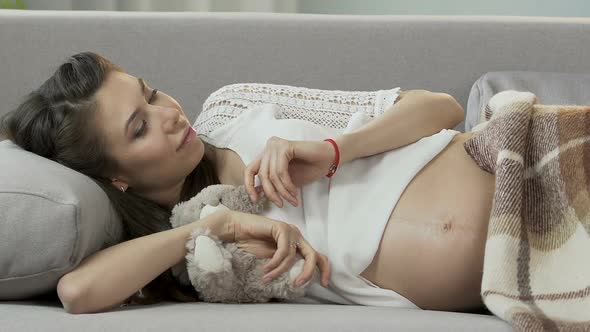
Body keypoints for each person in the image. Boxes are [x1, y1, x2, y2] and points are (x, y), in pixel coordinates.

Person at [0, 52, 494, 314]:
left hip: (512, 170)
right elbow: (77, 292)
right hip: (509, 272)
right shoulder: (181, 258)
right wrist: (217, 227)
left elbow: (442, 107)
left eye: (150, 94)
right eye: (139, 127)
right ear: (116, 177)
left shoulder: (232, 107)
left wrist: (333, 151)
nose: (168, 114)